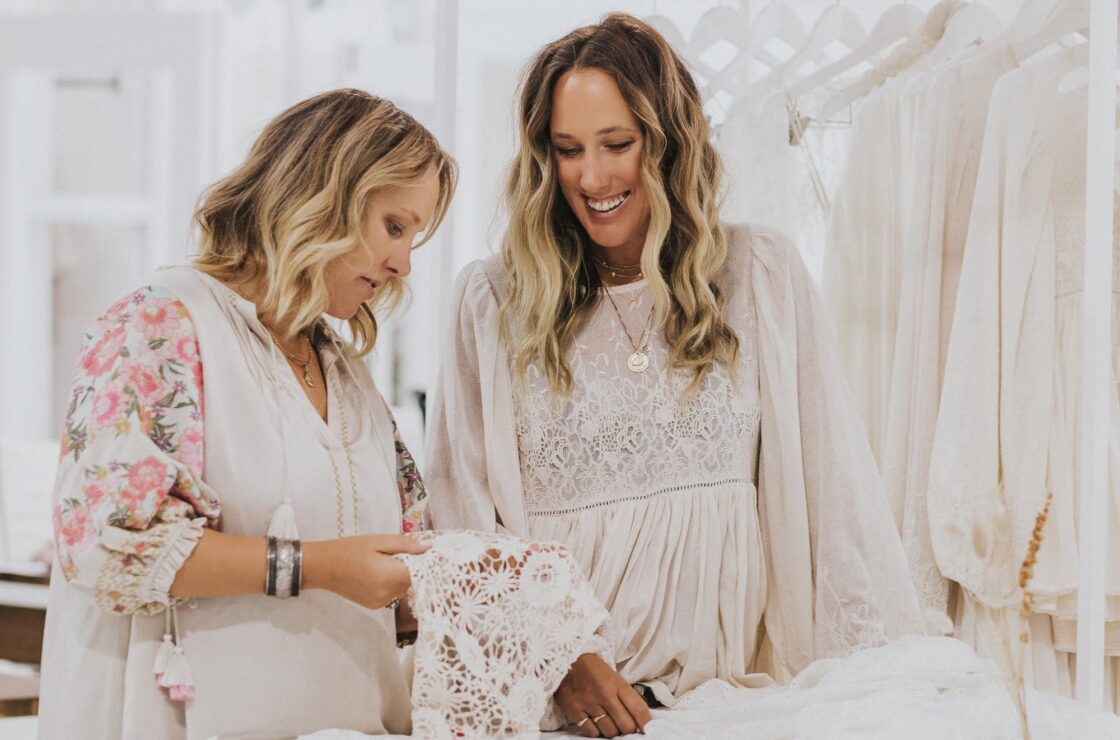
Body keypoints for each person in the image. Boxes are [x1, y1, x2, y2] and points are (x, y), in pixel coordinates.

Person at [425, 13, 927, 738]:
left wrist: (865, 681)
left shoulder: (760, 274)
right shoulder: (494, 300)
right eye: (567, 150)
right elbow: (462, 525)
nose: (592, 177)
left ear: (669, 142)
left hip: (730, 705)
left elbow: (831, 500)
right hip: (557, 710)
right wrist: (562, 656)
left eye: (618, 144)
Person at [38, 89, 455, 739]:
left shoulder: (345, 370)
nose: (402, 263)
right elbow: (106, 545)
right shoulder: (159, 326)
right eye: (394, 227)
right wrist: (317, 567)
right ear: (321, 196)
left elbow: (397, 561)